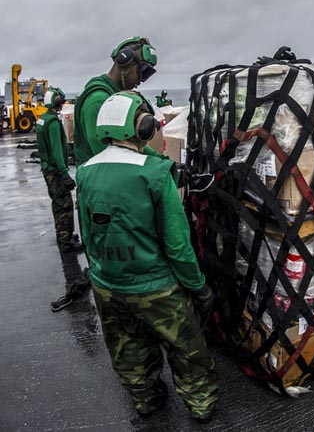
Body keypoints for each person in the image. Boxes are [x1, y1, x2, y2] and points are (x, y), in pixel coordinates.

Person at [76, 91, 219, 421]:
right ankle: (200, 404)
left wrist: (100, 274)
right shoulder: (155, 172)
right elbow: (178, 245)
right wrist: (198, 286)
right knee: (186, 348)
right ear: (142, 127)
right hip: (156, 287)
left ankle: (146, 399)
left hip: (107, 285)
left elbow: (87, 232)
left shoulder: (85, 171)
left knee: (128, 347)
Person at [73, 36, 159, 166]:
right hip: (101, 181)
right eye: (142, 71)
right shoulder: (98, 101)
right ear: (125, 62)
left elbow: (129, 141)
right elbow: (109, 159)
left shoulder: (116, 99)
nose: (142, 80)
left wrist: (162, 161)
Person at [35, 87, 84, 255]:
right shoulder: (54, 122)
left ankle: (61, 236)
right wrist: (65, 175)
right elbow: (56, 151)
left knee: (56, 203)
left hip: (47, 169)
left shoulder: (43, 119)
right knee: (65, 205)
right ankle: (67, 241)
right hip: (55, 171)